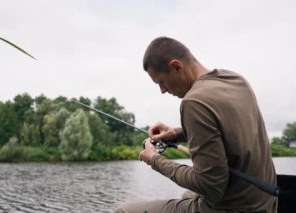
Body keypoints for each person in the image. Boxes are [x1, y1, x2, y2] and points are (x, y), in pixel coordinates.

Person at [115, 37, 277, 213]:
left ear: (177, 67)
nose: (162, 90)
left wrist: (155, 159)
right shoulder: (235, 80)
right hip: (266, 204)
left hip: (232, 208)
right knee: (188, 195)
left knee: (124, 210)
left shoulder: (194, 102)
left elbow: (210, 186)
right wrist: (176, 134)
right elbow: (225, 130)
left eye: (161, 81)